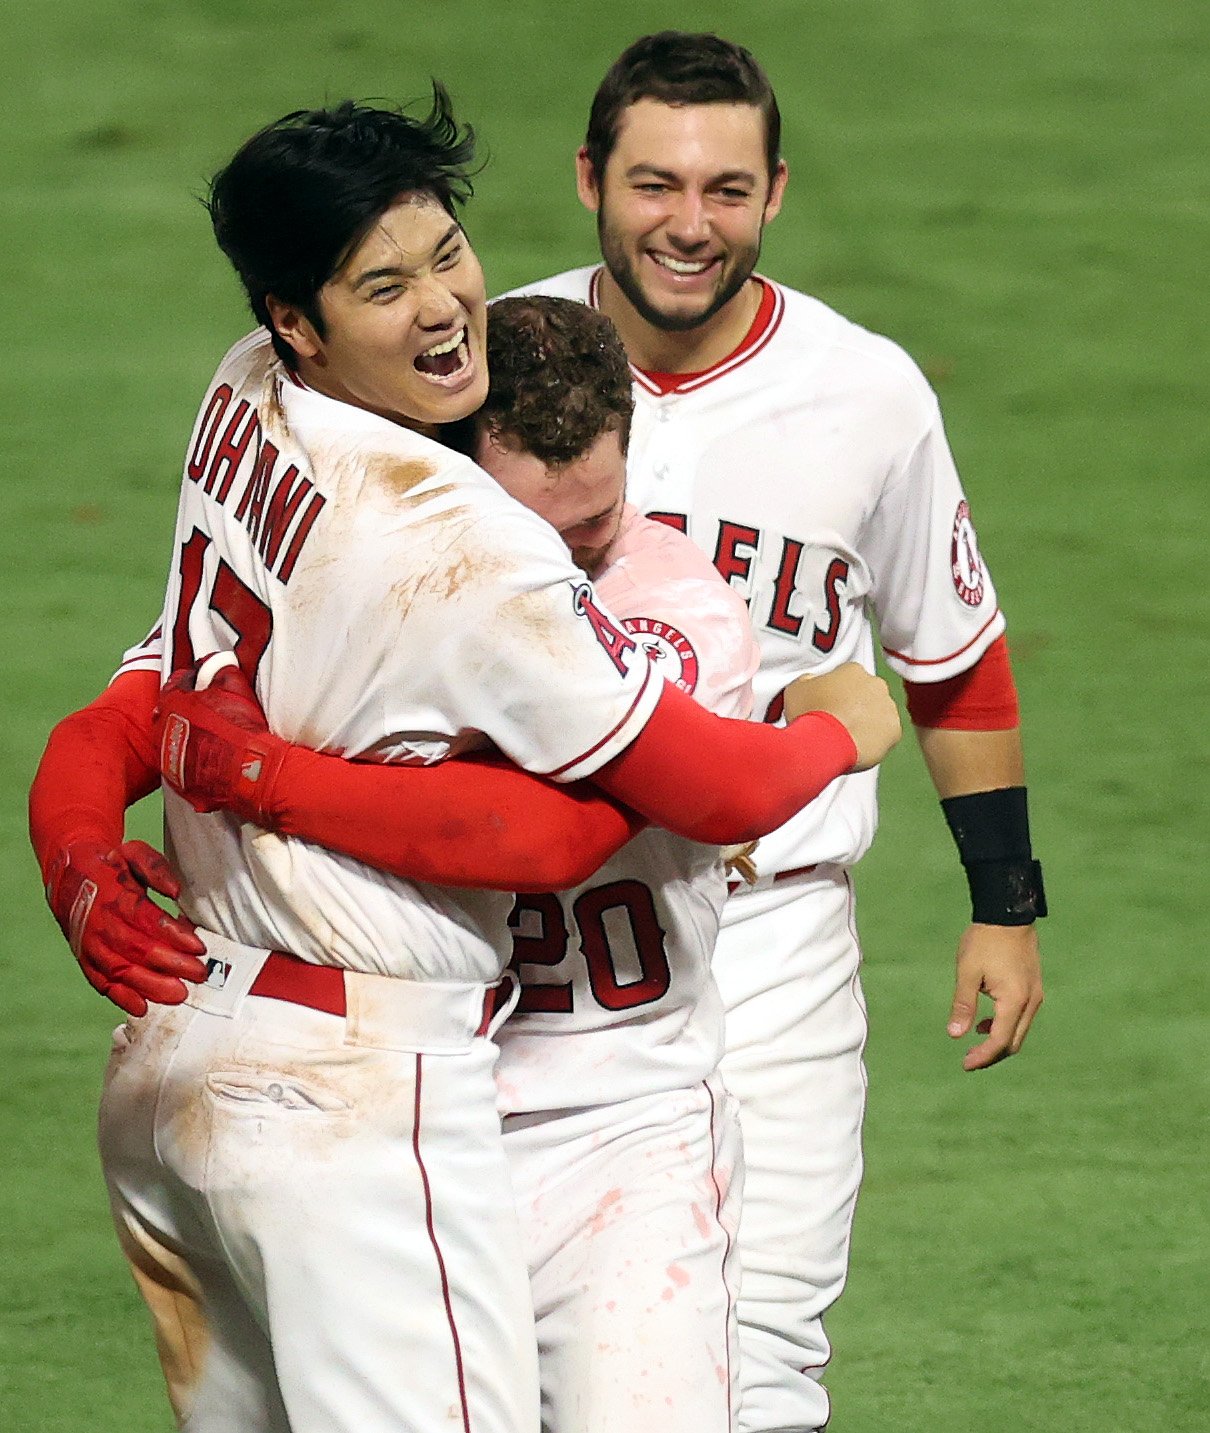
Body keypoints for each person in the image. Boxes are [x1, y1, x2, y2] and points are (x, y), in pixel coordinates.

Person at [29, 97, 902, 1433]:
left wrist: (86, 843)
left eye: (446, 255)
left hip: (201, 1058)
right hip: (348, 1083)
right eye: (385, 284)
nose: (441, 306)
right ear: (296, 319)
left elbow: (133, 712)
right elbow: (585, 827)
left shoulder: (245, 399)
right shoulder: (458, 545)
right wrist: (845, 723)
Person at [506, 31, 1048, 1432]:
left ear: (774, 193)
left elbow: (951, 652)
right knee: (519, 1353)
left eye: (726, 188)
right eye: (653, 183)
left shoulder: (866, 392)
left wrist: (1004, 900)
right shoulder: (488, 364)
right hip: (545, 941)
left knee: (757, 1358)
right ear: (588, 180)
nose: (689, 223)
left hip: (773, 937)